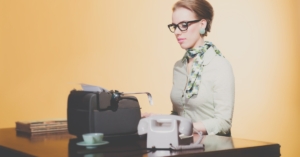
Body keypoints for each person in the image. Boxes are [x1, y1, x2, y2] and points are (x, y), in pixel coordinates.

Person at [142, 0, 234, 137]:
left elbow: (223, 122)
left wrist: (184, 127)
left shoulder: (220, 65)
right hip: (184, 147)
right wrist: (155, 118)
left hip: (213, 149)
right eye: (175, 26)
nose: (177, 32)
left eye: (184, 25)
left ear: (202, 24)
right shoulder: (179, 67)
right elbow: (179, 114)